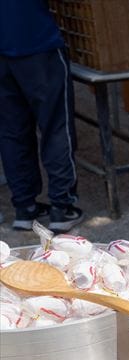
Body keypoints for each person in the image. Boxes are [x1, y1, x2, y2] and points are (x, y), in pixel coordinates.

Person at [0, 0, 84, 232]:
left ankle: (25, 207)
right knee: (56, 126)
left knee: (11, 131)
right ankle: (62, 205)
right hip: (36, 42)